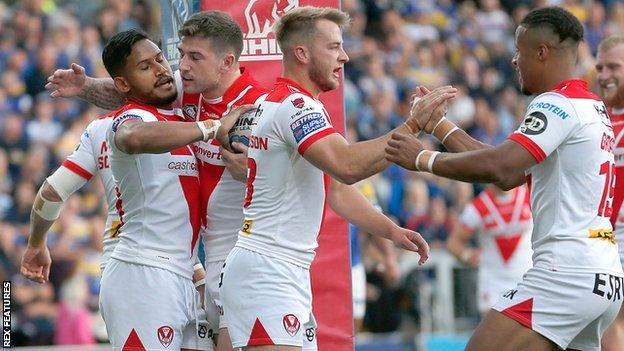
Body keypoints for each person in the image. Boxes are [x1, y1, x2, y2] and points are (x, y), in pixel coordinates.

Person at [386, 7, 624, 351]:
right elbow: (508, 170)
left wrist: (422, 159)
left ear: (541, 52)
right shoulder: (589, 106)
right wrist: (439, 126)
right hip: (603, 275)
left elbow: (501, 168)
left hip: (565, 274)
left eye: (519, 50)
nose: (514, 60)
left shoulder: (556, 105)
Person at [214, 6, 446, 351]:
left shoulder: (276, 102)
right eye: (334, 47)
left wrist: (391, 231)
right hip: (269, 269)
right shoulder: (297, 106)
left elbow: (336, 189)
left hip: (272, 267)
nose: (345, 56)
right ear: (302, 53)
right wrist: (412, 126)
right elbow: (347, 166)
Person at [45, 12, 268, 350]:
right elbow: (132, 96)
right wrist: (86, 86)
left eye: (193, 57)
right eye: (180, 56)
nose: (178, 68)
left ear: (227, 62)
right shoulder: (180, 94)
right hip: (164, 269)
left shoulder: (259, 107)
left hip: (228, 263)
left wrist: (255, 172)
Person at [94, 28, 247, 350]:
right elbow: (132, 138)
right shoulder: (131, 117)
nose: (162, 70)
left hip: (184, 274)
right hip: (143, 272)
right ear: (123, 84)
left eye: (161, 59)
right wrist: (212, 128)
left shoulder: (178, 115)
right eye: (145, 67)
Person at [446, 184, 533, 316]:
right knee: (494, 333)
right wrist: (467, 255)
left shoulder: (530, 196)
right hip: (493, 282)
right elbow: (453, 242)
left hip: (527, 279)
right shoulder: (478, 206)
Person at [594, 34, 624, 351]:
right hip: (606, 236)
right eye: (600, 67)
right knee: (609, 318)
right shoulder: (595, 117)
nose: (604, 75)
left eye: (613, 67)